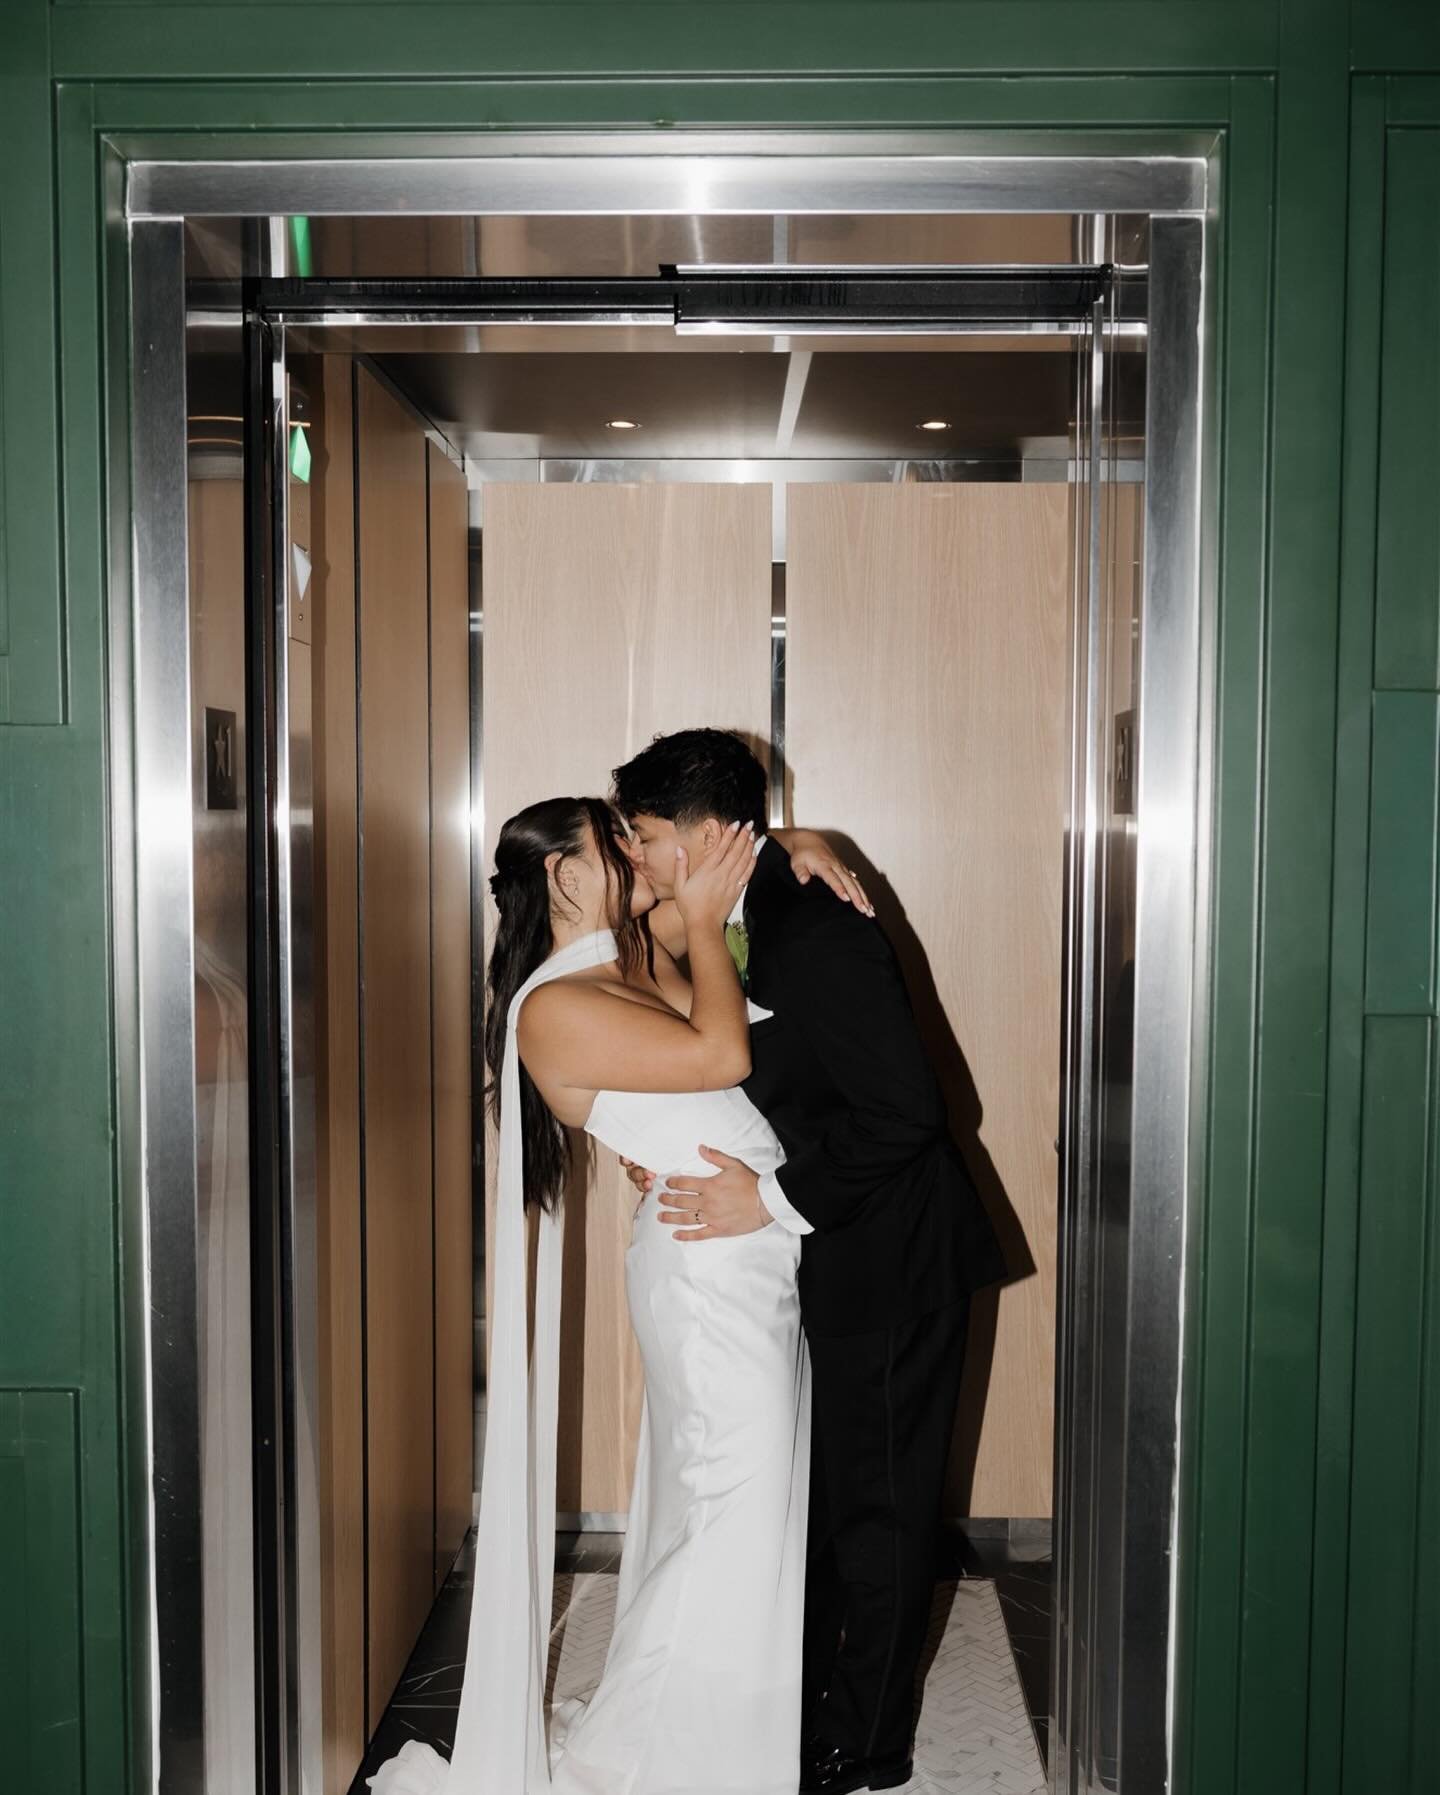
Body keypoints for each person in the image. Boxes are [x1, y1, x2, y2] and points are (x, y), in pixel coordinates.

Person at [368, 794, 861, 1795]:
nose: (639, 861)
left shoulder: (618, 961)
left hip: (744, 1256)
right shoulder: (552, 1007)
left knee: (736, 1508)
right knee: (736, 1506)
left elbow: (716, 894)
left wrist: (797, 843)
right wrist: (711, 930)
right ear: (564, 873)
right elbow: (722, 1053)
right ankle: (673, 1756)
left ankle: (696, 1736)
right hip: (702, 1274)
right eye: (616, 847)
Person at [612, 730, 1007, 1795]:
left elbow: (912, 1114)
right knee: (835, 1503)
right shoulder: (745, 895)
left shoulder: (818, 933)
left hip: (892, 1257)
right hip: (827, 1252)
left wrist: (769, 1197)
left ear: (704, 837)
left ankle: (864, 1748)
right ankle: (807, 1710)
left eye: (646, 838)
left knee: (877, 1517)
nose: (636, 857)